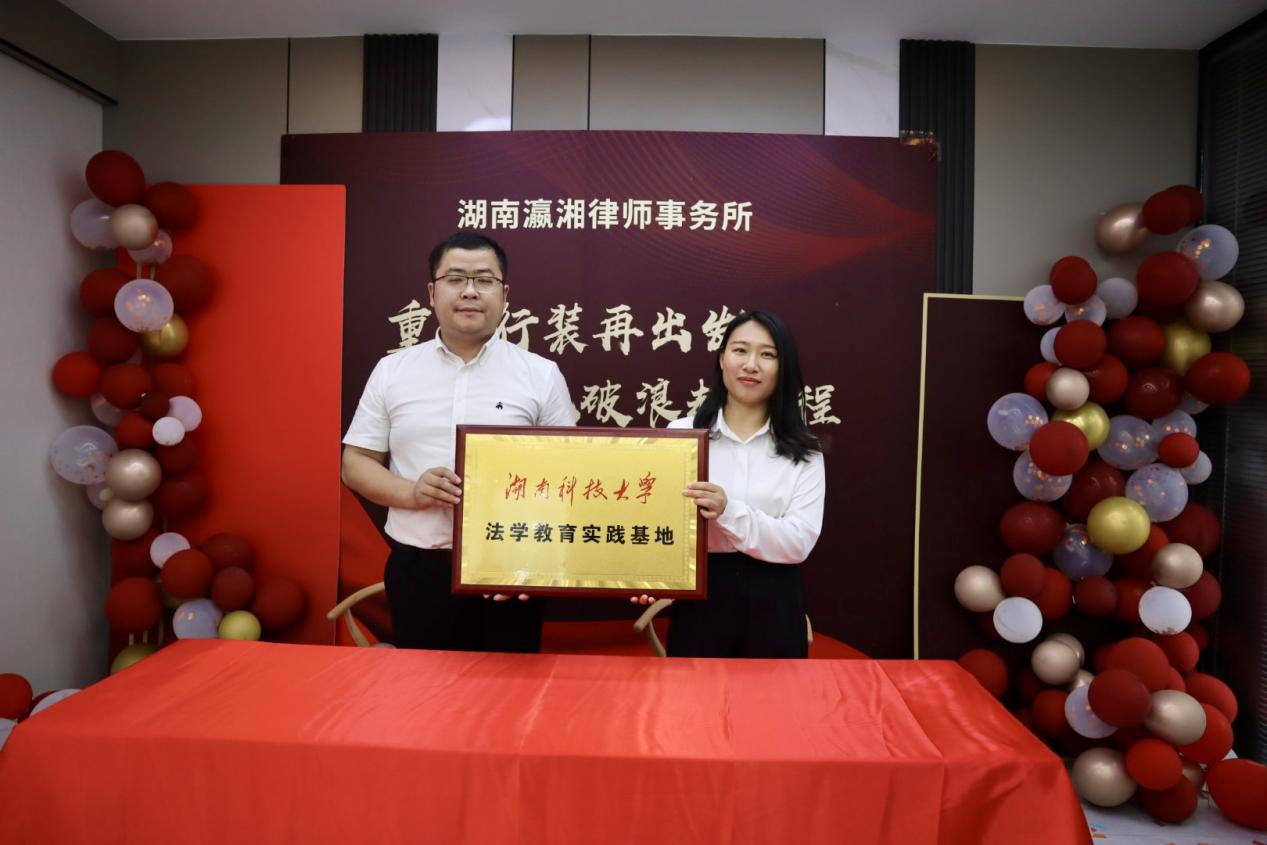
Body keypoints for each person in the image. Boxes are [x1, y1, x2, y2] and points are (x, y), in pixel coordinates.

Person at [341, 232, 576, 652]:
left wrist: (534, 561)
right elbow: (355, 462)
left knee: (509, 689)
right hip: (419, 569)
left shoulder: (541, 374)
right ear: (433, 293)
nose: (470, 291)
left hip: (511, 568)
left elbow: (568, 478)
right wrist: (412, 493)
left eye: (484, 280)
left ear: (504, 295)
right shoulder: (393, 371)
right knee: (424, 689)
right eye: (455, 279)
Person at [635, 310, 825, 658]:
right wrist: (650, 572)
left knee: (774, 694)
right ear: (722, 359)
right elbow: (657, 521)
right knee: (695, 692)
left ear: (783, 368)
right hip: (702, 598)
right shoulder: (681, 435)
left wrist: (728, 511)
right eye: (740, 350)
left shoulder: (804, 449)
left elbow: (799, 541)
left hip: (776, 599)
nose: (751, 364)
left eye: (767, 354)